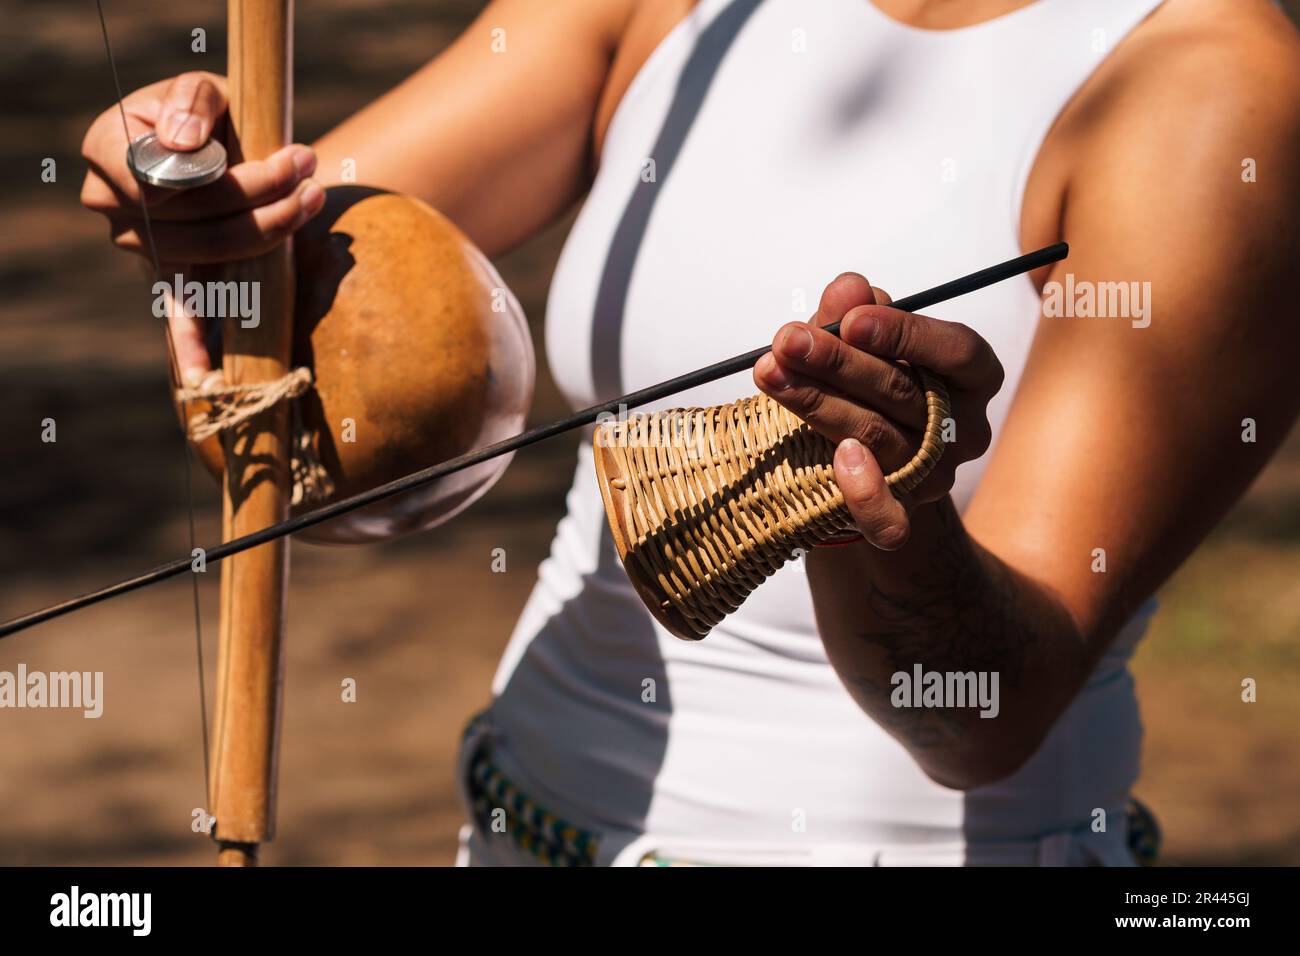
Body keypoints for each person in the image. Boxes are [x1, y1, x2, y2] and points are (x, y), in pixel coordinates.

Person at [81, 0, 1300, 866]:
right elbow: (298, 297)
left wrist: (886, 516)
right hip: (519, 820)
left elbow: (980, 712)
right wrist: (194, 201)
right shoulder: (679, 12)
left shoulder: (1205, 79)